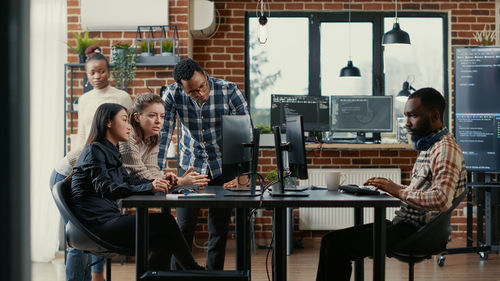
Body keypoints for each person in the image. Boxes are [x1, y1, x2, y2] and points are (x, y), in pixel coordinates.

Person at [316, 87, 467, 281]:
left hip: (416, 232)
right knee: (331, 241)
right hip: (406, 226)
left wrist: (396, 190)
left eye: (412, 116)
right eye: (406, 116)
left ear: (435, 115)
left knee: (334, 245)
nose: (407, 123)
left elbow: (441, 199)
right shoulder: (431, 146)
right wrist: (393, 187)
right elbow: (424, 190)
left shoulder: (445, 150)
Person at [70, 103, 204, 271]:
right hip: (97, 226)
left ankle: (163, 275)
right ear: (108, 122)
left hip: (108, 220)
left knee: (164, 237)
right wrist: (150, 187)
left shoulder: (111, 151)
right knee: (165, 221)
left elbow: (131, 181)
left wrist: (162, 181)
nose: (129, 126)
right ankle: (194, 271)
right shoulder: (94, 151)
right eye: (125, 120)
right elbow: (106, 188)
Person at [157, 58, 251, 270]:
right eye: (193, 92)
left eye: (203, 86)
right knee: (184, 227)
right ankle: (179, 276)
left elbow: (247, 134)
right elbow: (163, 135)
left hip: (223, 166)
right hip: (190, 167)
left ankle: (213, 276)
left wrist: (243, 173)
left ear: (205, 75)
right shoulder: (172, 94)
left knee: (218, 229)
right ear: (182, 88)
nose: (201, 93)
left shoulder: (229, 91)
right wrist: (157, 173)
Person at [50, 46, 132, 281]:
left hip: (94, 167)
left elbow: (128, 137)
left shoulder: (122, 97)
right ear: (87, 75)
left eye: (101, 71)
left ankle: (97, 278)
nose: (97, 76)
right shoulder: (84, 99)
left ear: (109, 71)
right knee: (78, 237)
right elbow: (82, 136)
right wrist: (79, 169)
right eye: (92, 73)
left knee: (97, 228)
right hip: (69, 171)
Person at [119, 92, 210, 187]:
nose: (158, 121)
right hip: (118, 192)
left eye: (162, 116)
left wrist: (165, 178)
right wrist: (179, 182)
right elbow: (139, 173)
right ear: (137, 117)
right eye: (152, 115)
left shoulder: (153, 137)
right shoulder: (127, 135)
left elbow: (152, 170)